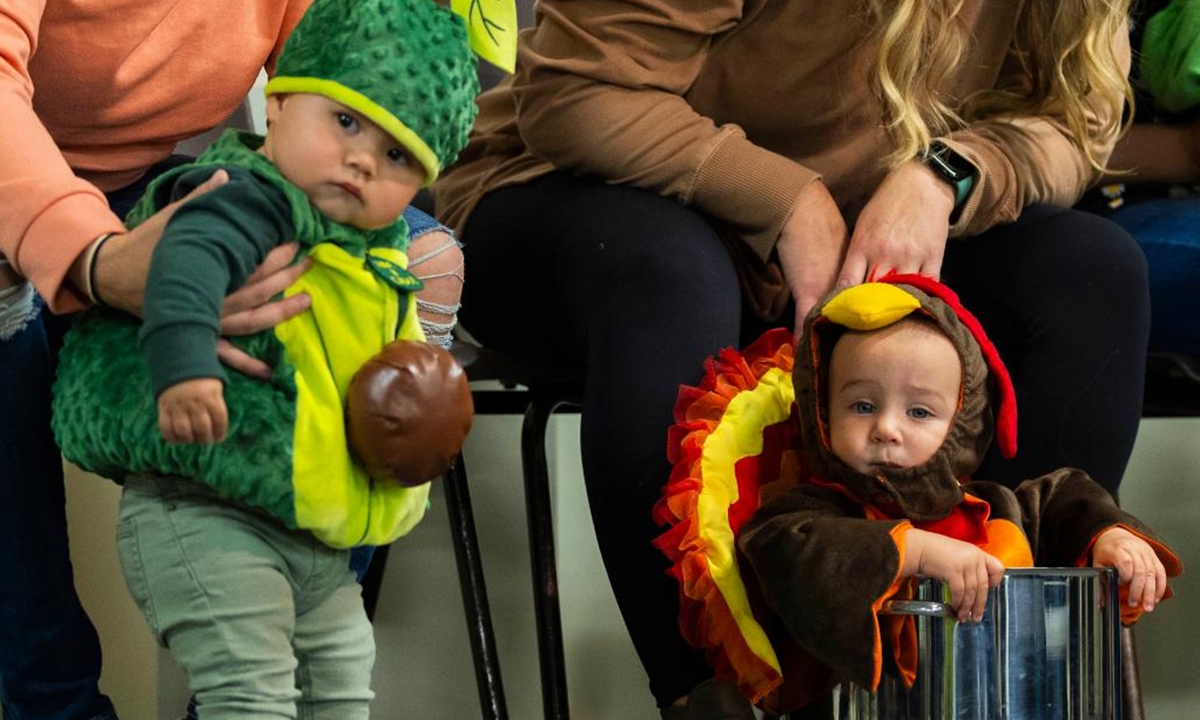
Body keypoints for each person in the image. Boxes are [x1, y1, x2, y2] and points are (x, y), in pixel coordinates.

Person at [431, 0, 1147, 717]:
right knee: (675, 277)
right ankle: (706, 698)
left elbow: (1073, 125)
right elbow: (575, 100)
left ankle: (990, 679)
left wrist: (947, 174)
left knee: (1092, 274)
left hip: (854, 235)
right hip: (585, 193)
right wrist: (789, 200)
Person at [0, 0, 472, 717]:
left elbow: (344, 67)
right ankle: (49, 700)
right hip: (20, 157)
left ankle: (268, 669)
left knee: (421, 261)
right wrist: (96, 258)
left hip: (148, 172)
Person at [730, 276, 1182, 715]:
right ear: (823, 413)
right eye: (862, 406)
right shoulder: (807, 513)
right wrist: (916, 551)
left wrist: (1112, 538)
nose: (886, 428)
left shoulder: (994, 510)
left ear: (963, 422)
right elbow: (785, 549)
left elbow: (1063, 499)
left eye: (919, 411)